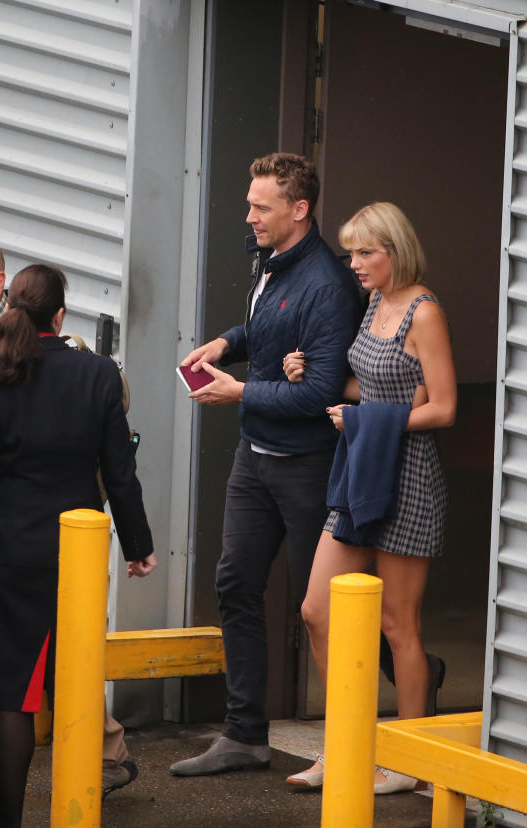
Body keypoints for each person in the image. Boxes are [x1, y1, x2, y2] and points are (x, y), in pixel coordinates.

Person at [0, 238, 139, 824]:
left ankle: (76, 775)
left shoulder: (2, 371)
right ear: (56, 313)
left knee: (31, 683)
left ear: (2, 288)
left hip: (2, 542)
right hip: (26, 543)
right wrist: (138, 544)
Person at [172, 153, 362, 776]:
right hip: (253, 460)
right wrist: (229, 341)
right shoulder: (271, 263)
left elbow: (321, 394)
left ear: (298, 210)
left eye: (261, 207)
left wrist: (238, 392)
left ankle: (382, 703)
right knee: (234, 585)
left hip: (309, 467)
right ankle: (245, 734)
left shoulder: (330, 287)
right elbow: (265, 326)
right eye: (250, 204)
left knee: (324, 610)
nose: (248, 216)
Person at [283, 202, 456, 794]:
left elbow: (444, 405)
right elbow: (370, 381)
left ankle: (411, 762)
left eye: (366, 253)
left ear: (395, 251)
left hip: (408, 476)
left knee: (396, 623)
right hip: (361, 470)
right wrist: (311, 373)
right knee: (317, 609)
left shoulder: (423, 311)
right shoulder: (375, 303)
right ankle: (345, 747)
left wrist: (371, 421)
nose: (354, 263)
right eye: (351, 252)